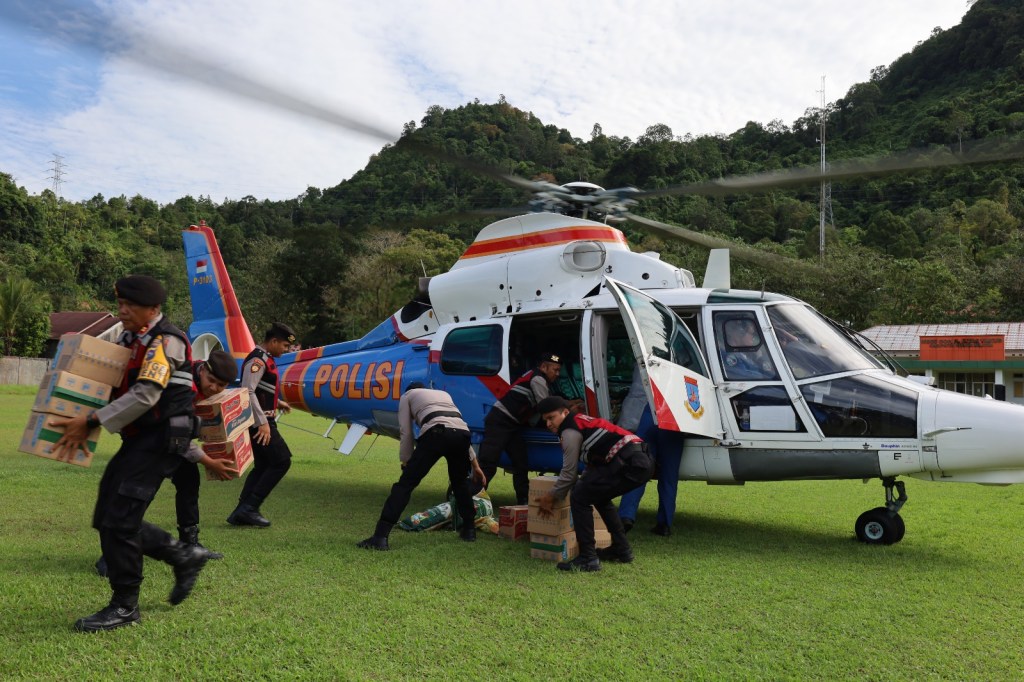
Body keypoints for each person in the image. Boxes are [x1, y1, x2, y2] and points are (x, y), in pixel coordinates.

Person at [51, 275, 217, 632]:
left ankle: (125, 607)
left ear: (153, 310)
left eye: (131, 305)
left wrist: (92, 420)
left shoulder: (166, 341)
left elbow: (146, 395)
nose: (123, 310)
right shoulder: (131, 337)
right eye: (121, 303)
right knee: (107, 515)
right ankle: (184, 555)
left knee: (120, 518)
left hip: (163, 440)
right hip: (141, 438)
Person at [94, 350, 239, 577]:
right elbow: (178, 436)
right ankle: (111, 555)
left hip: (171, 441)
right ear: (203, 370)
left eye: (221, 385)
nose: (214, 388)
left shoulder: (200, 379)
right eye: (212, 381)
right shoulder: (182, 387)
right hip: (148, 441)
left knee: (189, 481)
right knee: (138, 495)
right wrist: (210, 461)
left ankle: (190, 543)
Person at [357, 383, 487, 551]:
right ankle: (469, 530)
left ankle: (380, 536)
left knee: (405, 485)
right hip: (463, 435)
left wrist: (406, 462)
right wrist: (475, 466)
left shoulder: (408, 396)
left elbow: (406, 431)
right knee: (460, 484)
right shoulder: (443, 395)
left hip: (436, 434)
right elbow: (456, 426)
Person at [533, 396, 654, 572]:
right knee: (597, 495)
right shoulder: (580, 421)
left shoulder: (569, 431)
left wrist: (550, 496)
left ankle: (588, 558)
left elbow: (568, 475)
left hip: (630, 462)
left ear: (565, 412)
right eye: (545, 420)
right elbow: (594, 464)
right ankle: (621, 549)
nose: (549, 424)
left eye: (551, 417)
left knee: (580, 497)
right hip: (640, 461)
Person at [227, 322, 297, 527]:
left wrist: (278, 403)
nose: (286, 350)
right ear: (273, 341)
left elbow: (261, 388)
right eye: (284, 346)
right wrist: (263, 422)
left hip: (261, 420)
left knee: (264, 465)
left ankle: (242, 511)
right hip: (260, 423)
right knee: (282, 461)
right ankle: (249, 508)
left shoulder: (266, 359)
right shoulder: (257, 360)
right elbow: (247, 391)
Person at [477, 352, 562, 504]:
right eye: (555, 369)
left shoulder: (537, 377)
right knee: (488, 464)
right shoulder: (538, 379)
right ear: (543, 367)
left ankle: (523, 501)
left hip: (513, 424)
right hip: (500, 421)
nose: (558, 373)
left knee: (521, 463)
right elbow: (546, 407)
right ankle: (471, 500)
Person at [614, 366, 683, 537]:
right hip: (673, 420)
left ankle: (626, 516)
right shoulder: (682, 368)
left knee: (638, 470)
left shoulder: (647, 364)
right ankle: (664, 524)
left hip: (648, 415)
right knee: (669, 478)